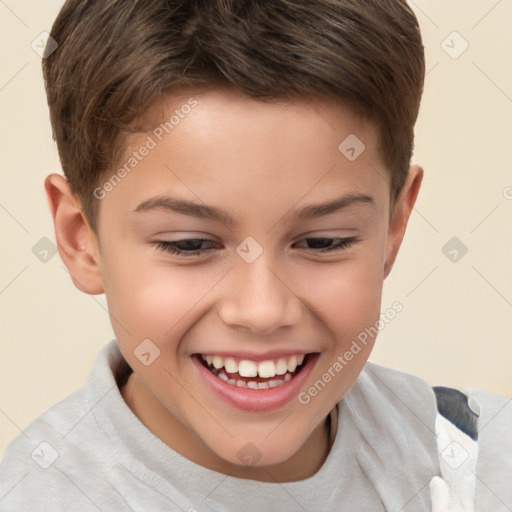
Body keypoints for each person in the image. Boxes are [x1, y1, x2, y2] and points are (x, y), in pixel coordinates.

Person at [0, 1, 510, 510]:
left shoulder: (480, 463)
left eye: (323, 241)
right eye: (189, 245)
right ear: (79, 238)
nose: (262, 310)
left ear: (394, 227)